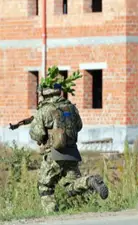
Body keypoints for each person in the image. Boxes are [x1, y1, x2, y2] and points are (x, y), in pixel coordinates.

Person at [28, 66, 109, 213]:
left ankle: (52, 213)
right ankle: (90, 181)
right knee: (71, 185)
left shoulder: (44, 110)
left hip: (54, 154)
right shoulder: (70, 107)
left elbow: (38, 134)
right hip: (71, 152)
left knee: (45, 186)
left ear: (44, 93)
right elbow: (78, 126)